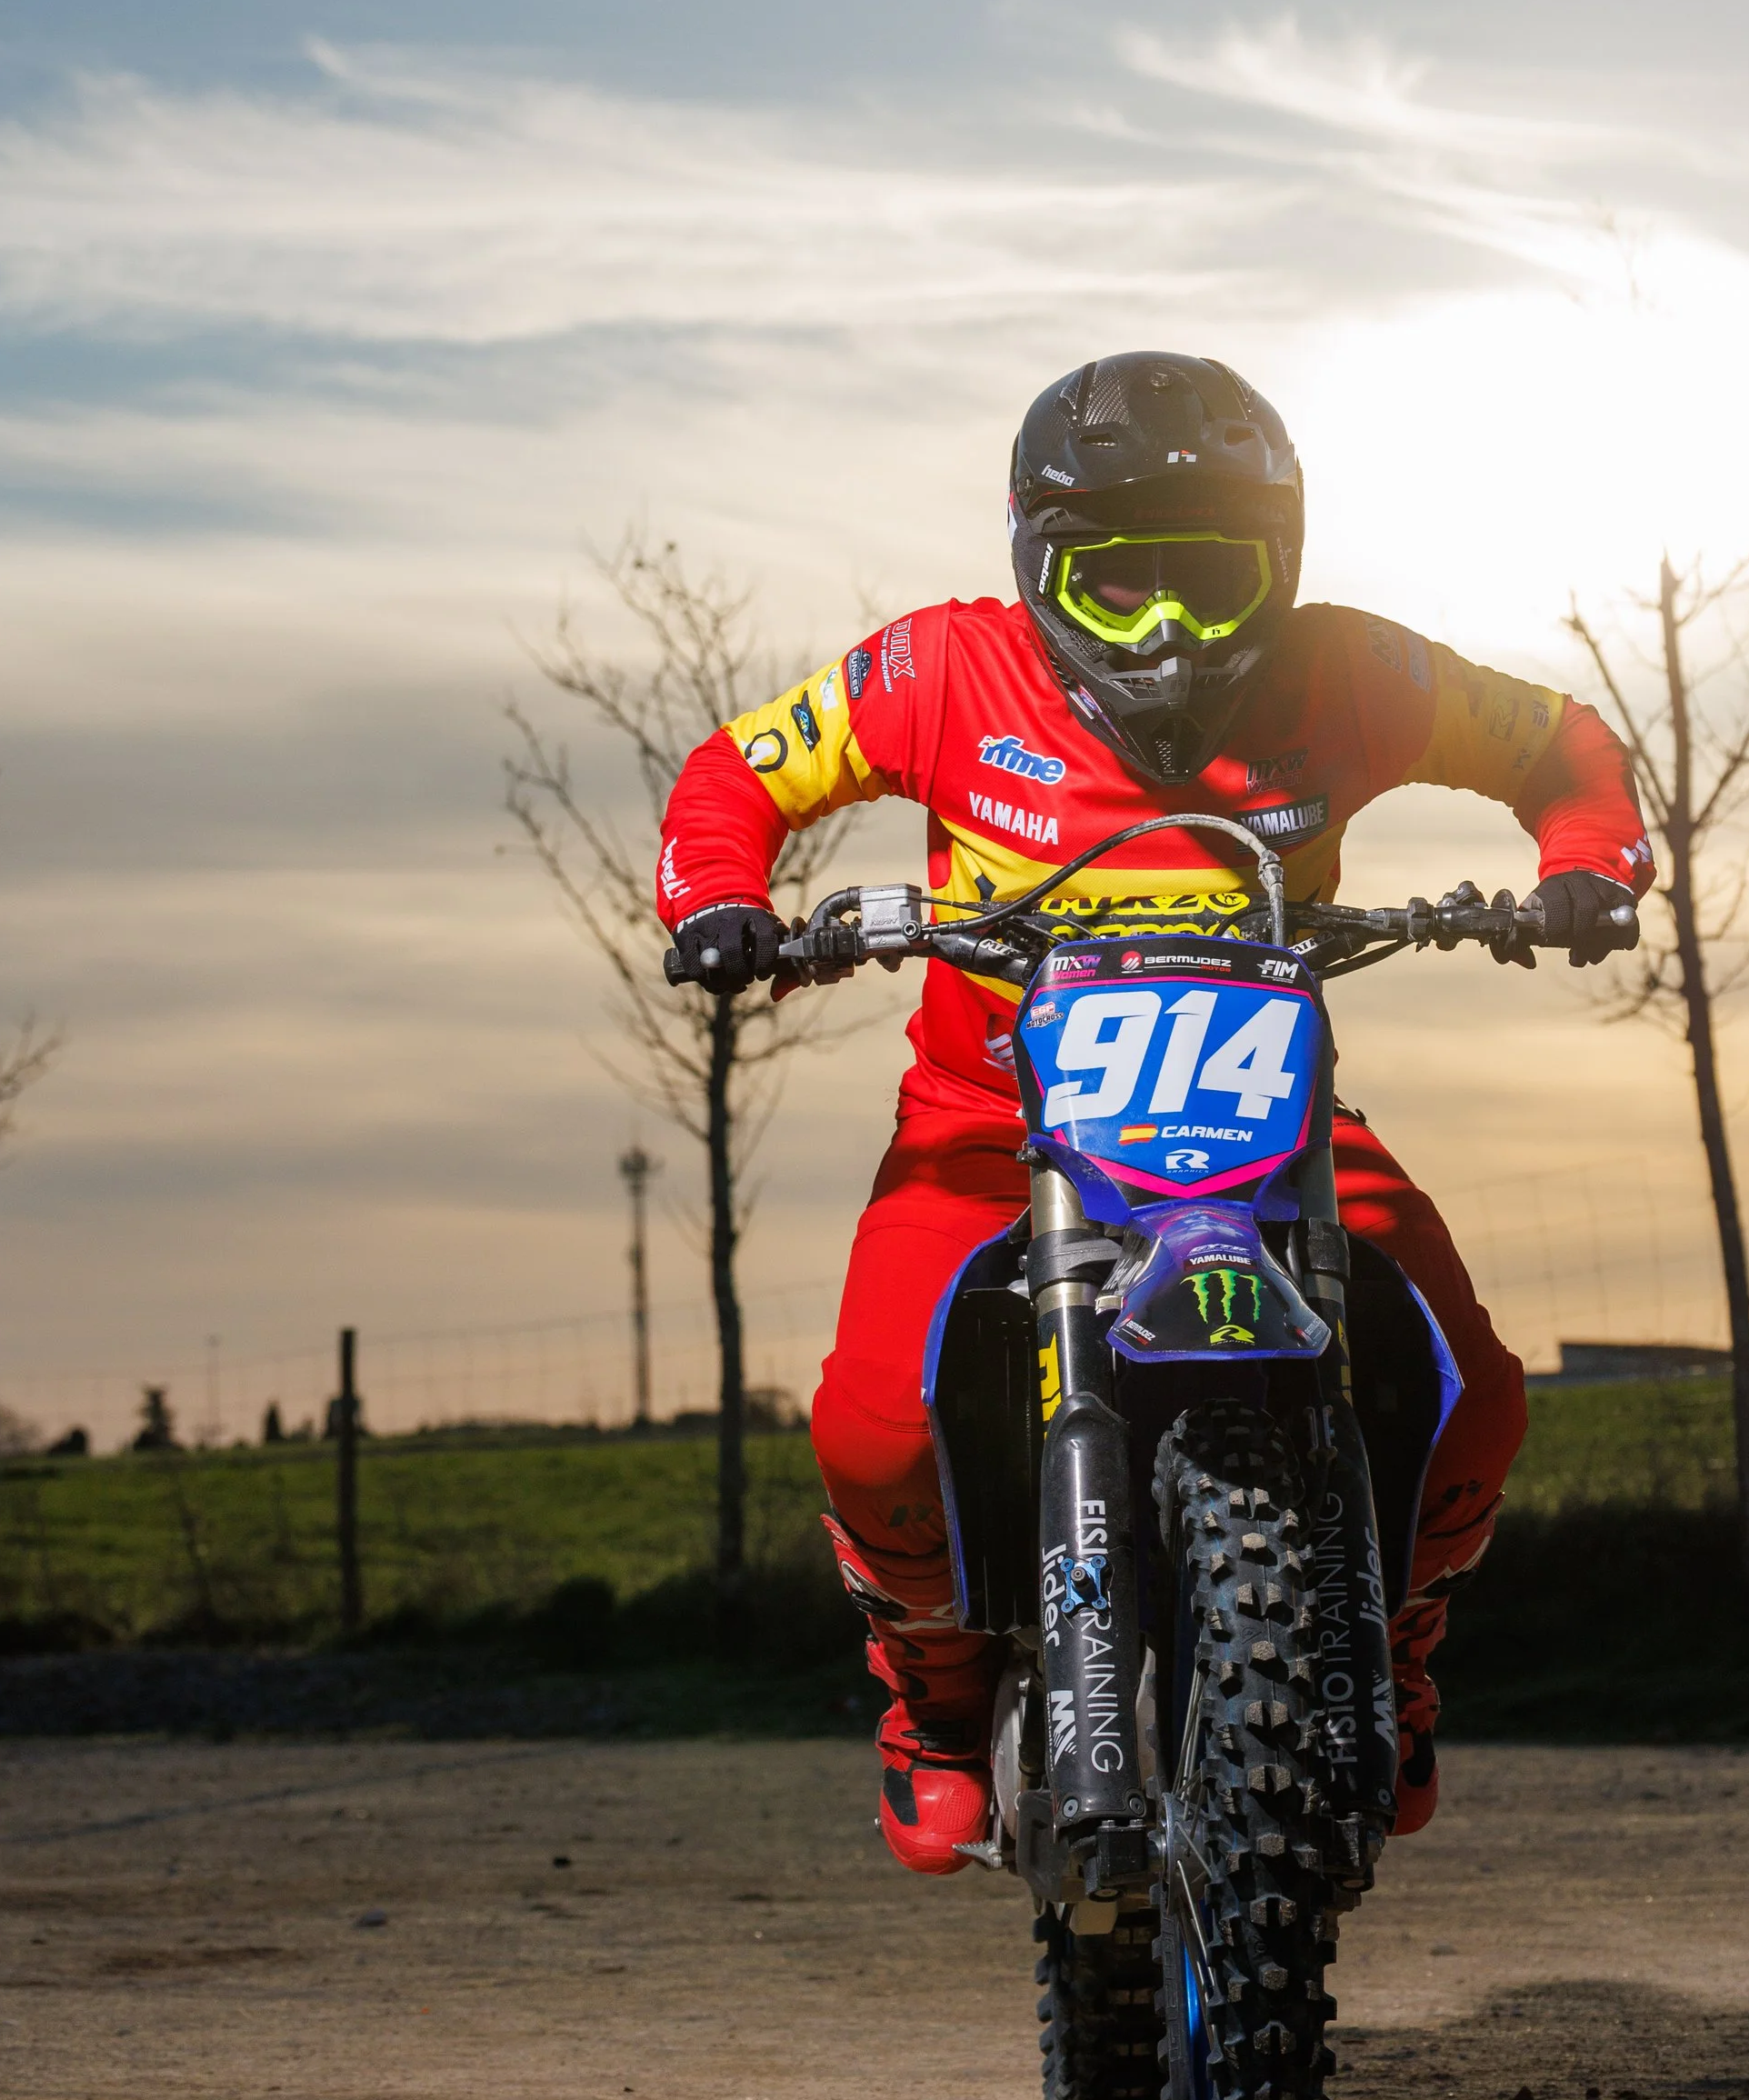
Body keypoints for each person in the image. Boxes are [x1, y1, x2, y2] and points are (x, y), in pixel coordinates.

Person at [655, 353, 1652, 1875]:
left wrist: (1591, 856)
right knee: (867, 1429)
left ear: (1287, 571)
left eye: (1213, 581)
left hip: (1272, 1131)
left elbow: (1560, 745)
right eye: (1125, 590)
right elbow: (734, 772)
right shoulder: (937, 672)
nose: (1175, 628)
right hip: (990, 1130)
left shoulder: (1354, 675)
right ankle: (931, 1699)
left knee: (1478, 1396)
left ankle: (1394, 1645)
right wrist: (724, 894)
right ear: (1043, 568)